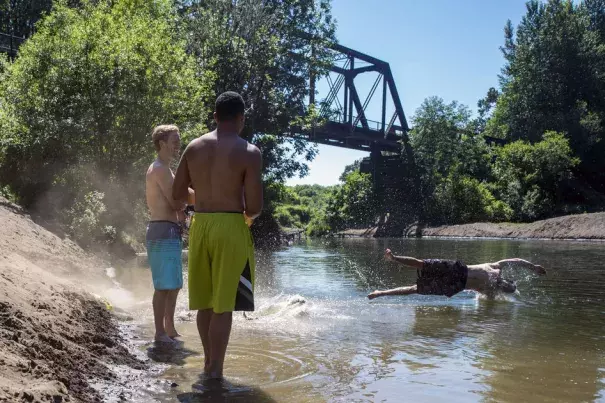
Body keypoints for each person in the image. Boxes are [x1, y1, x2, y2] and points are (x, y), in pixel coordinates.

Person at [172, 91, 263, 379]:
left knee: (205, 301)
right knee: (224, 304)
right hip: (231, 226)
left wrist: (207, 196)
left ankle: (208, 362)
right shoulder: (249, 152)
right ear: (241, 119)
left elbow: (177, 195)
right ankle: (216, 373)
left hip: (200, 225)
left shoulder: (193, 147)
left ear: (214, 116)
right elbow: (256, 207)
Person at [145, 124, 193, 343]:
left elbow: (180, 197)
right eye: (175, 141)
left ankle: (169, 328)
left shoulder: (167, 169)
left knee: (174, 284)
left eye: (179, 141)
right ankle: (159, 332)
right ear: (162, 144)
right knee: (164, 286)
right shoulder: (160, 169)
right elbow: (175, 201)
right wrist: (187, 203)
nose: (178, 145)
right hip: (162, 230)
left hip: (169, 230)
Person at [367, 249, 546, 300]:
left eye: (506, 289)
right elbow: (514, 260)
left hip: (455, 286)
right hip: (457, 269)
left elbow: (487, 308)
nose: (505, 286)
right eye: (508, 285)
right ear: (508, 282)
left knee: (415, 289)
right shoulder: (496, 268)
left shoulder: (490, 293)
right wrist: (533, 267)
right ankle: (394, 258)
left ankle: (380, 293)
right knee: (422, 264)